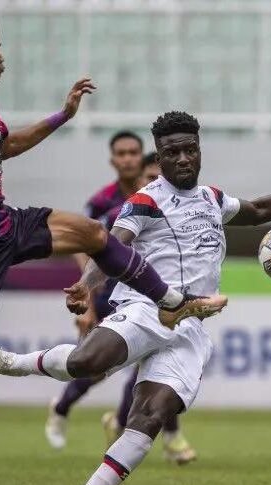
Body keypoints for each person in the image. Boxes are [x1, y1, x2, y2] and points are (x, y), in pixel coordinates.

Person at [0, 5, 225, 477]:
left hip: (5, 222)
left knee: (95, 232)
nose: (2, 56)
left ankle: (171, 301)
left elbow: (7, 146)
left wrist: (62, 114)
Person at [0, 111, 271, 485]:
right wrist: (87, 283)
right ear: (161, 157)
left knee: (149, 418)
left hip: (190, 329)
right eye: (173, 152)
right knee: (86, 363)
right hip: (147, 308)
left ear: (200, 150)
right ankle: (12, 363)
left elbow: (258, 209)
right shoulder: (145, 201)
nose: (184, 158)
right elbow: (113, 247)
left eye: (191, 149)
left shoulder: (212, 198)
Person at [45, 140, 196, 464]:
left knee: (154, 364)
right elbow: (82, 240)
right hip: (109, 295)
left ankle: (170, 438)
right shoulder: (113, 207)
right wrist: (87, 297)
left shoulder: (177, 207)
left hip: (150, 296)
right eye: (150, 176)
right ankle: (62, 407)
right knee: (96, 368)